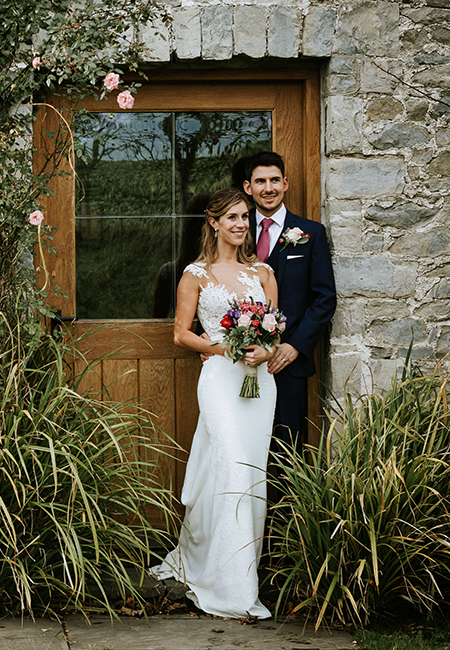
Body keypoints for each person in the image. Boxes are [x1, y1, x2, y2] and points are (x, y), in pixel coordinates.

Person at [148, 187, 277, 620]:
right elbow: (181, 333)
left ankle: (236, 564)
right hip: (221, 380)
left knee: (250, 476)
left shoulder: (262, 272)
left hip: (259, 383)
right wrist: (224, 348)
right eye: (234, 217)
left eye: (246, 217)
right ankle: (231, 586)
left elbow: (273, 328)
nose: (242, 224)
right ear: (214, 222)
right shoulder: (196, 274)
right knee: (231, 465)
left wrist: (263, 348)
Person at [241, 151, 336, 466]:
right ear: (248, 187)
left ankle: (288, 516)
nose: (268, 188)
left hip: (288, 362)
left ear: (286, 184)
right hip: (242, 359)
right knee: (245, 443)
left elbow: (324, 298)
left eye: (274, 180)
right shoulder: (235, 233)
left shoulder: (310, 233)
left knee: (287, 448)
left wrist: (295, 346)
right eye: (260, 181)